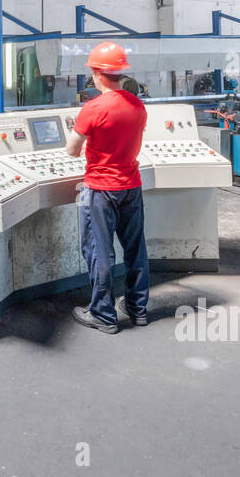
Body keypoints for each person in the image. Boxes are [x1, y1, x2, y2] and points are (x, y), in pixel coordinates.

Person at [65, 41, 151, 334]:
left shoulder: (93, 108)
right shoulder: (138, 105)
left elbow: (72, 150)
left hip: (101, 189)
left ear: (96, 73)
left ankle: (103, 314)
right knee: (135, 248)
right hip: (131, 186)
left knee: (100, 251)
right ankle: (138, 309)